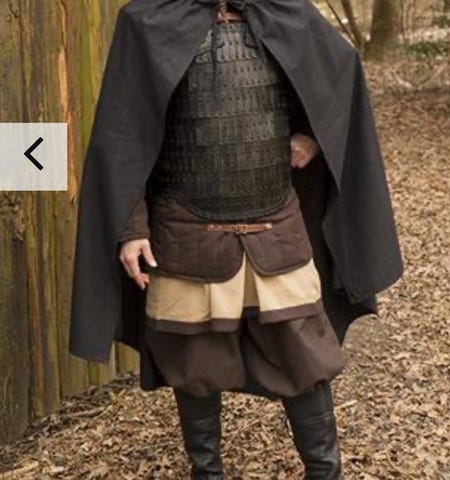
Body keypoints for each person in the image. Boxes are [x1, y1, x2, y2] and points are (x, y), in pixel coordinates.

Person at [69, 1, 404, 479]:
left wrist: (310, 135)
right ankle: (206, 473)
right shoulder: (146, 21)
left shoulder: (284, 12)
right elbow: (123, 135)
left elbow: (338, 78)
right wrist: (131, 228)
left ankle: (325, 473)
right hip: (186, 230)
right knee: (194, 364)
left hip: (276, 225)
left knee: (305, 356)